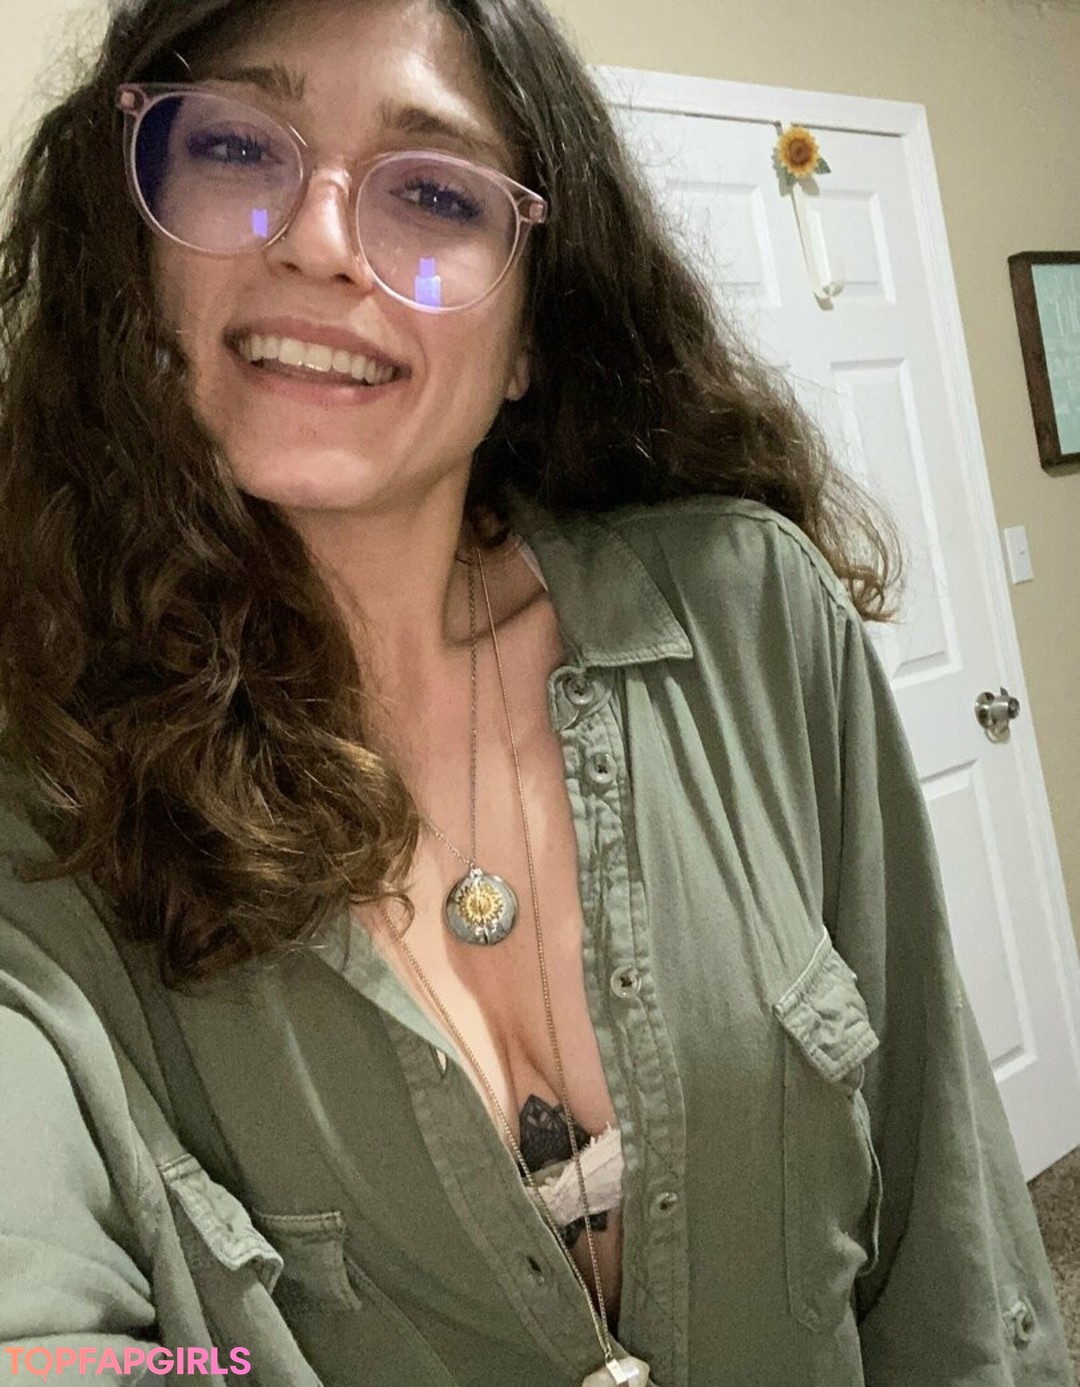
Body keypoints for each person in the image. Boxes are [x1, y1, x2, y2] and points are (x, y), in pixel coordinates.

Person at [0, 0, 1072, 1382]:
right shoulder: (46, 790)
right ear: (138, 252)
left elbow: (949, 1221)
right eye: (239, 148)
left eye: (435, 192)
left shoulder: (748, 613)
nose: (318, 241)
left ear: (527, 337)